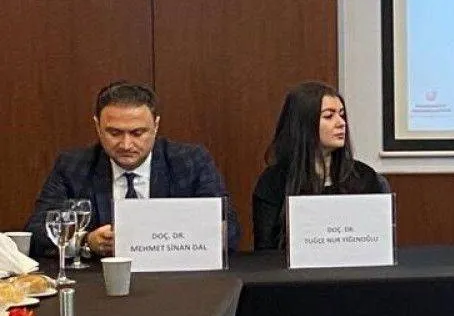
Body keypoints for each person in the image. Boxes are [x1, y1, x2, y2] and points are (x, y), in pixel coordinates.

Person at [26, 81, 240, 257]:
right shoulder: (73, 166)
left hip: (173, 280)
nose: (126, 144)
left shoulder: (190, 162)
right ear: (97, 127)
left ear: (156, 126)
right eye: (114, 133)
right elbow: (37, 231)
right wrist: (86, 241)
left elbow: (228, 231)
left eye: (137, 133)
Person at [252, 82, 384, 250]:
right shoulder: (273, 181)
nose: (341, 123)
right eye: (329, 116)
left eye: (342, 115)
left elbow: (377, 243)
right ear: (304, 124)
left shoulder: (364, 176)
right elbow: (265, 252)